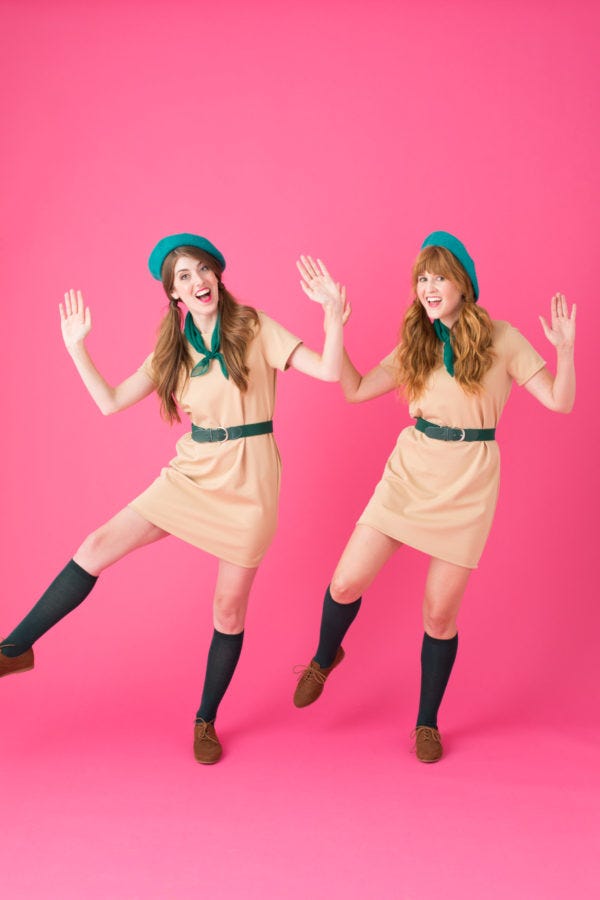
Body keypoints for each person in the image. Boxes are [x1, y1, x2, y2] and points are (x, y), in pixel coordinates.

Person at [0, 233, 347, 764]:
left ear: (217, 276)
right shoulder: (173, 350)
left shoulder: (252, 326)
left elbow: (326, 370)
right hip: (191, 474)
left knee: (228, 610)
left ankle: (205, 720)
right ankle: (13, 649)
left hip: (251, 483)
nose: (197, 281)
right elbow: (111, 402)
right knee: (96, 545)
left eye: (203, 269)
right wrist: (76, 347)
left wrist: (333, 316)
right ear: (174, 296)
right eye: (183, 277)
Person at [292, 230, 576, 763]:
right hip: (411, 470)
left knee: (439, 617)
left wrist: (566, 349)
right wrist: (335, 321)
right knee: (346, 580)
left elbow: (560, 402)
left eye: (439, 276)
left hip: (469, 483)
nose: (429, 286)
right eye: (422, 278)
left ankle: (426, 722)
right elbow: (353, 390)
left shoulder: (503, 338)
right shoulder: (416, 344)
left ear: (463, 283)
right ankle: (324, 657)